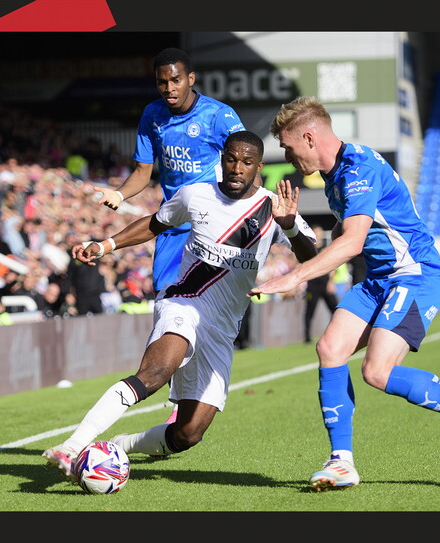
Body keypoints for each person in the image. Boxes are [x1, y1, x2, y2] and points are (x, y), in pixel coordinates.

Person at [251, 97, 440, 491]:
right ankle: (341, 463)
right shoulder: (337, 174)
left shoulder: (358, 171)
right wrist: (289, 228)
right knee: (330, 349)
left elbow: (352, 243)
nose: (287, 157)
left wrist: (294, 277)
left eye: (287, 147)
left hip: (415, 275)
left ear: (308, 136)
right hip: (379, 280)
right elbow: (338, 247)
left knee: (376, 371)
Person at [43, 131, 317, 480]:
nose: (236, 168)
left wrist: (290, 227)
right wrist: (106, 245)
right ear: (222, 159)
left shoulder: (272, 208)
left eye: (246, 162)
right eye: (231, 159)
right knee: (156, 373)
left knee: (189, 434)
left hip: (221, 329)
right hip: (184, 302)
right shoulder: (196, 195)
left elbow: (312, 260)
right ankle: (71, 447)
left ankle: (122, 445)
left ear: (258, 167)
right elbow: (155, 223)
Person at [91, 47, 249, 425]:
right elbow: (143, 173)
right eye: (162, 82)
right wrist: (119, 193)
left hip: (211, 226)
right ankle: (166, 382)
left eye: (175, 80)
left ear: (190, 78)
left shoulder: (219, 116)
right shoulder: (152, 116)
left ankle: (182, 391)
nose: (168, 88)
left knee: (201, 308)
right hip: (171, 228)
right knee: (169, 306)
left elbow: (246, 163)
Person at [303, 225, 339, 344]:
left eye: (320, 233)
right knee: (310, 311)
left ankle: (337, 333)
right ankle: (307, 337)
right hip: (312, 284)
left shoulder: (326, 248)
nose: (318, 235)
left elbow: (333, 266)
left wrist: (330, 282)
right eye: (316, 233)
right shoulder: (309, 249)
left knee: (335, 309)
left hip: (325, 283)